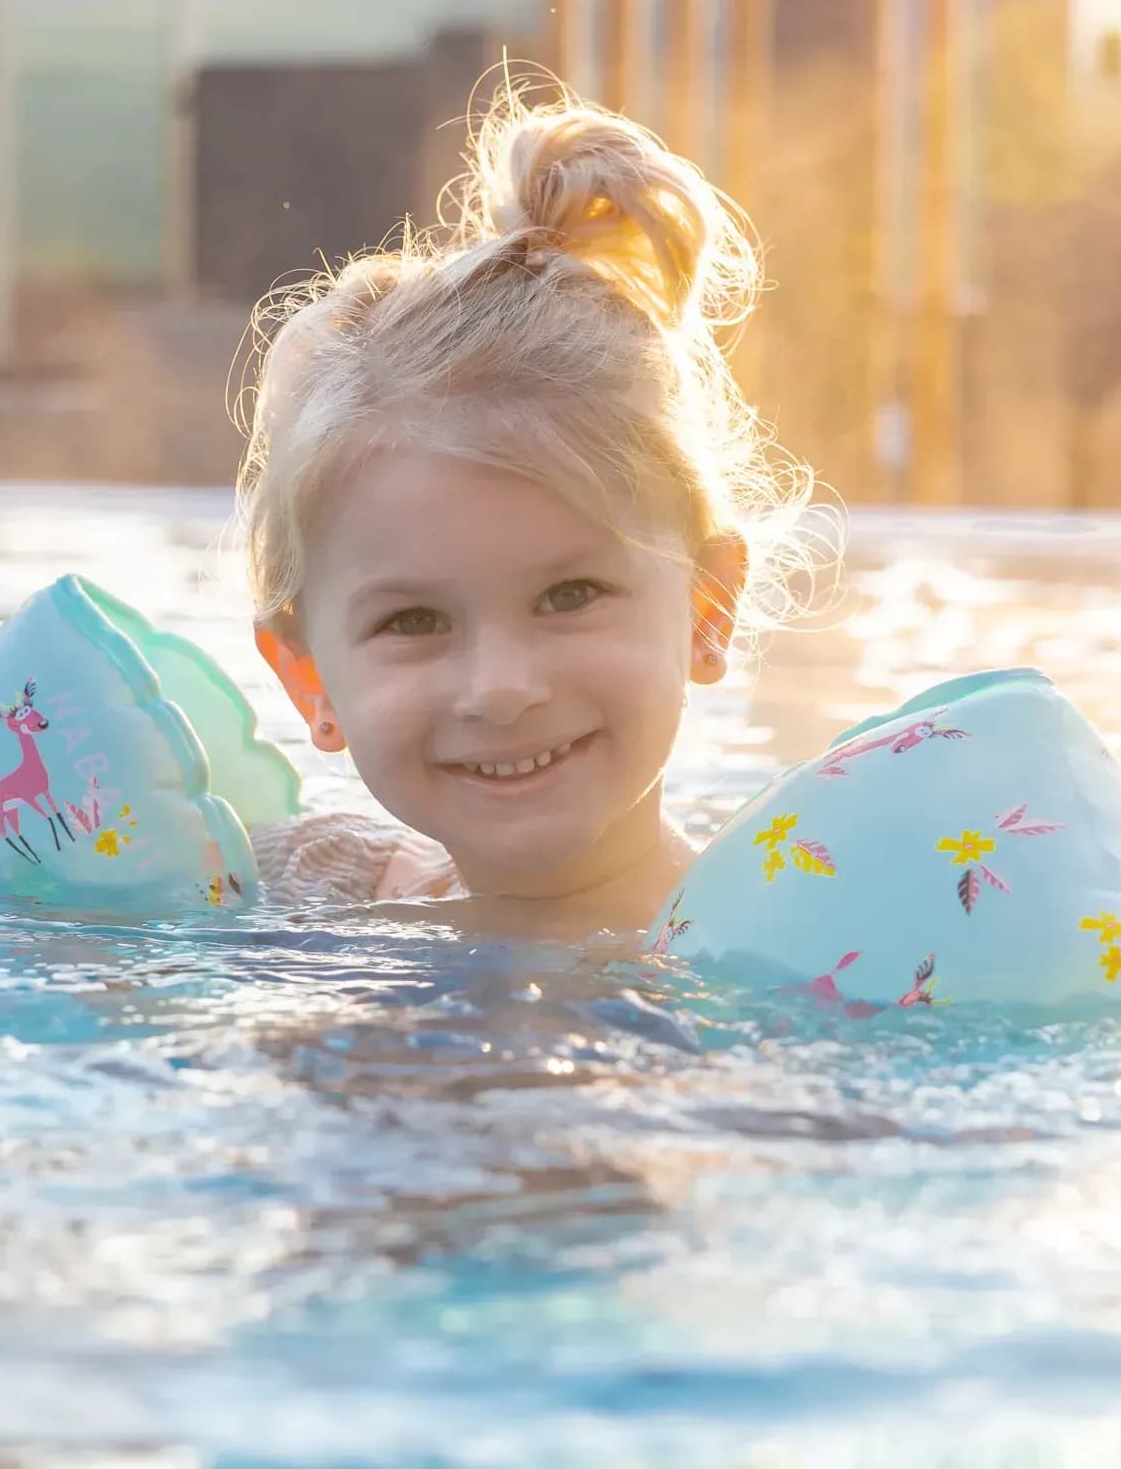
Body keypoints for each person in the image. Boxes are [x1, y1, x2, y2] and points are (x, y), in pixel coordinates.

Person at [237, 89, 820, 940]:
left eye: (570, 595)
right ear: (309, 680)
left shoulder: (787, 952)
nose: (502, 688)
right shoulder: (300, 883)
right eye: (413, 619)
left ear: (707, 608)